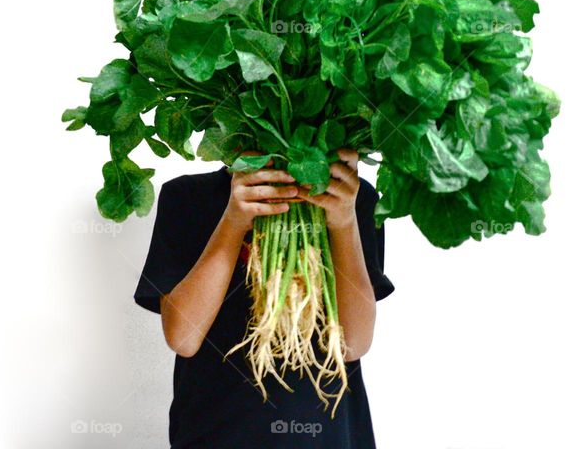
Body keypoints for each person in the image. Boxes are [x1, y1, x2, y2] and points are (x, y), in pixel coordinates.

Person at [134, 148, 395, 448]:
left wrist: (344, 223)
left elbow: (354, 344)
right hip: (215, 435)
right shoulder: (188, 196)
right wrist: (233, 221)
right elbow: (183, 338)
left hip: (328, 436)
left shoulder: (349, 196)